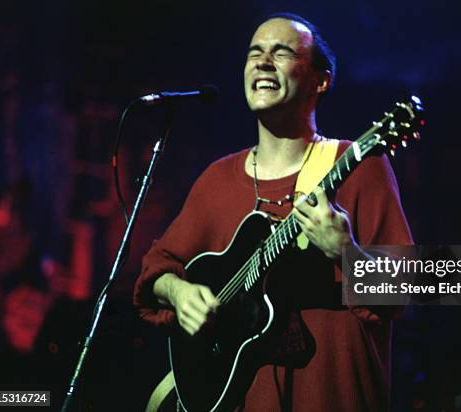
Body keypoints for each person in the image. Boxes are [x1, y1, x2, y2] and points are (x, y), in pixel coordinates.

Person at [134, 12, 412, 411]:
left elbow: (407, 289)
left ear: (320, 80)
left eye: (281, 53)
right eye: (254, 53)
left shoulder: (359, 166)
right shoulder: (217, 179)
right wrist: (178, 292)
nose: (263, 62)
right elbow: (157, 269)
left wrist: (345, 251)